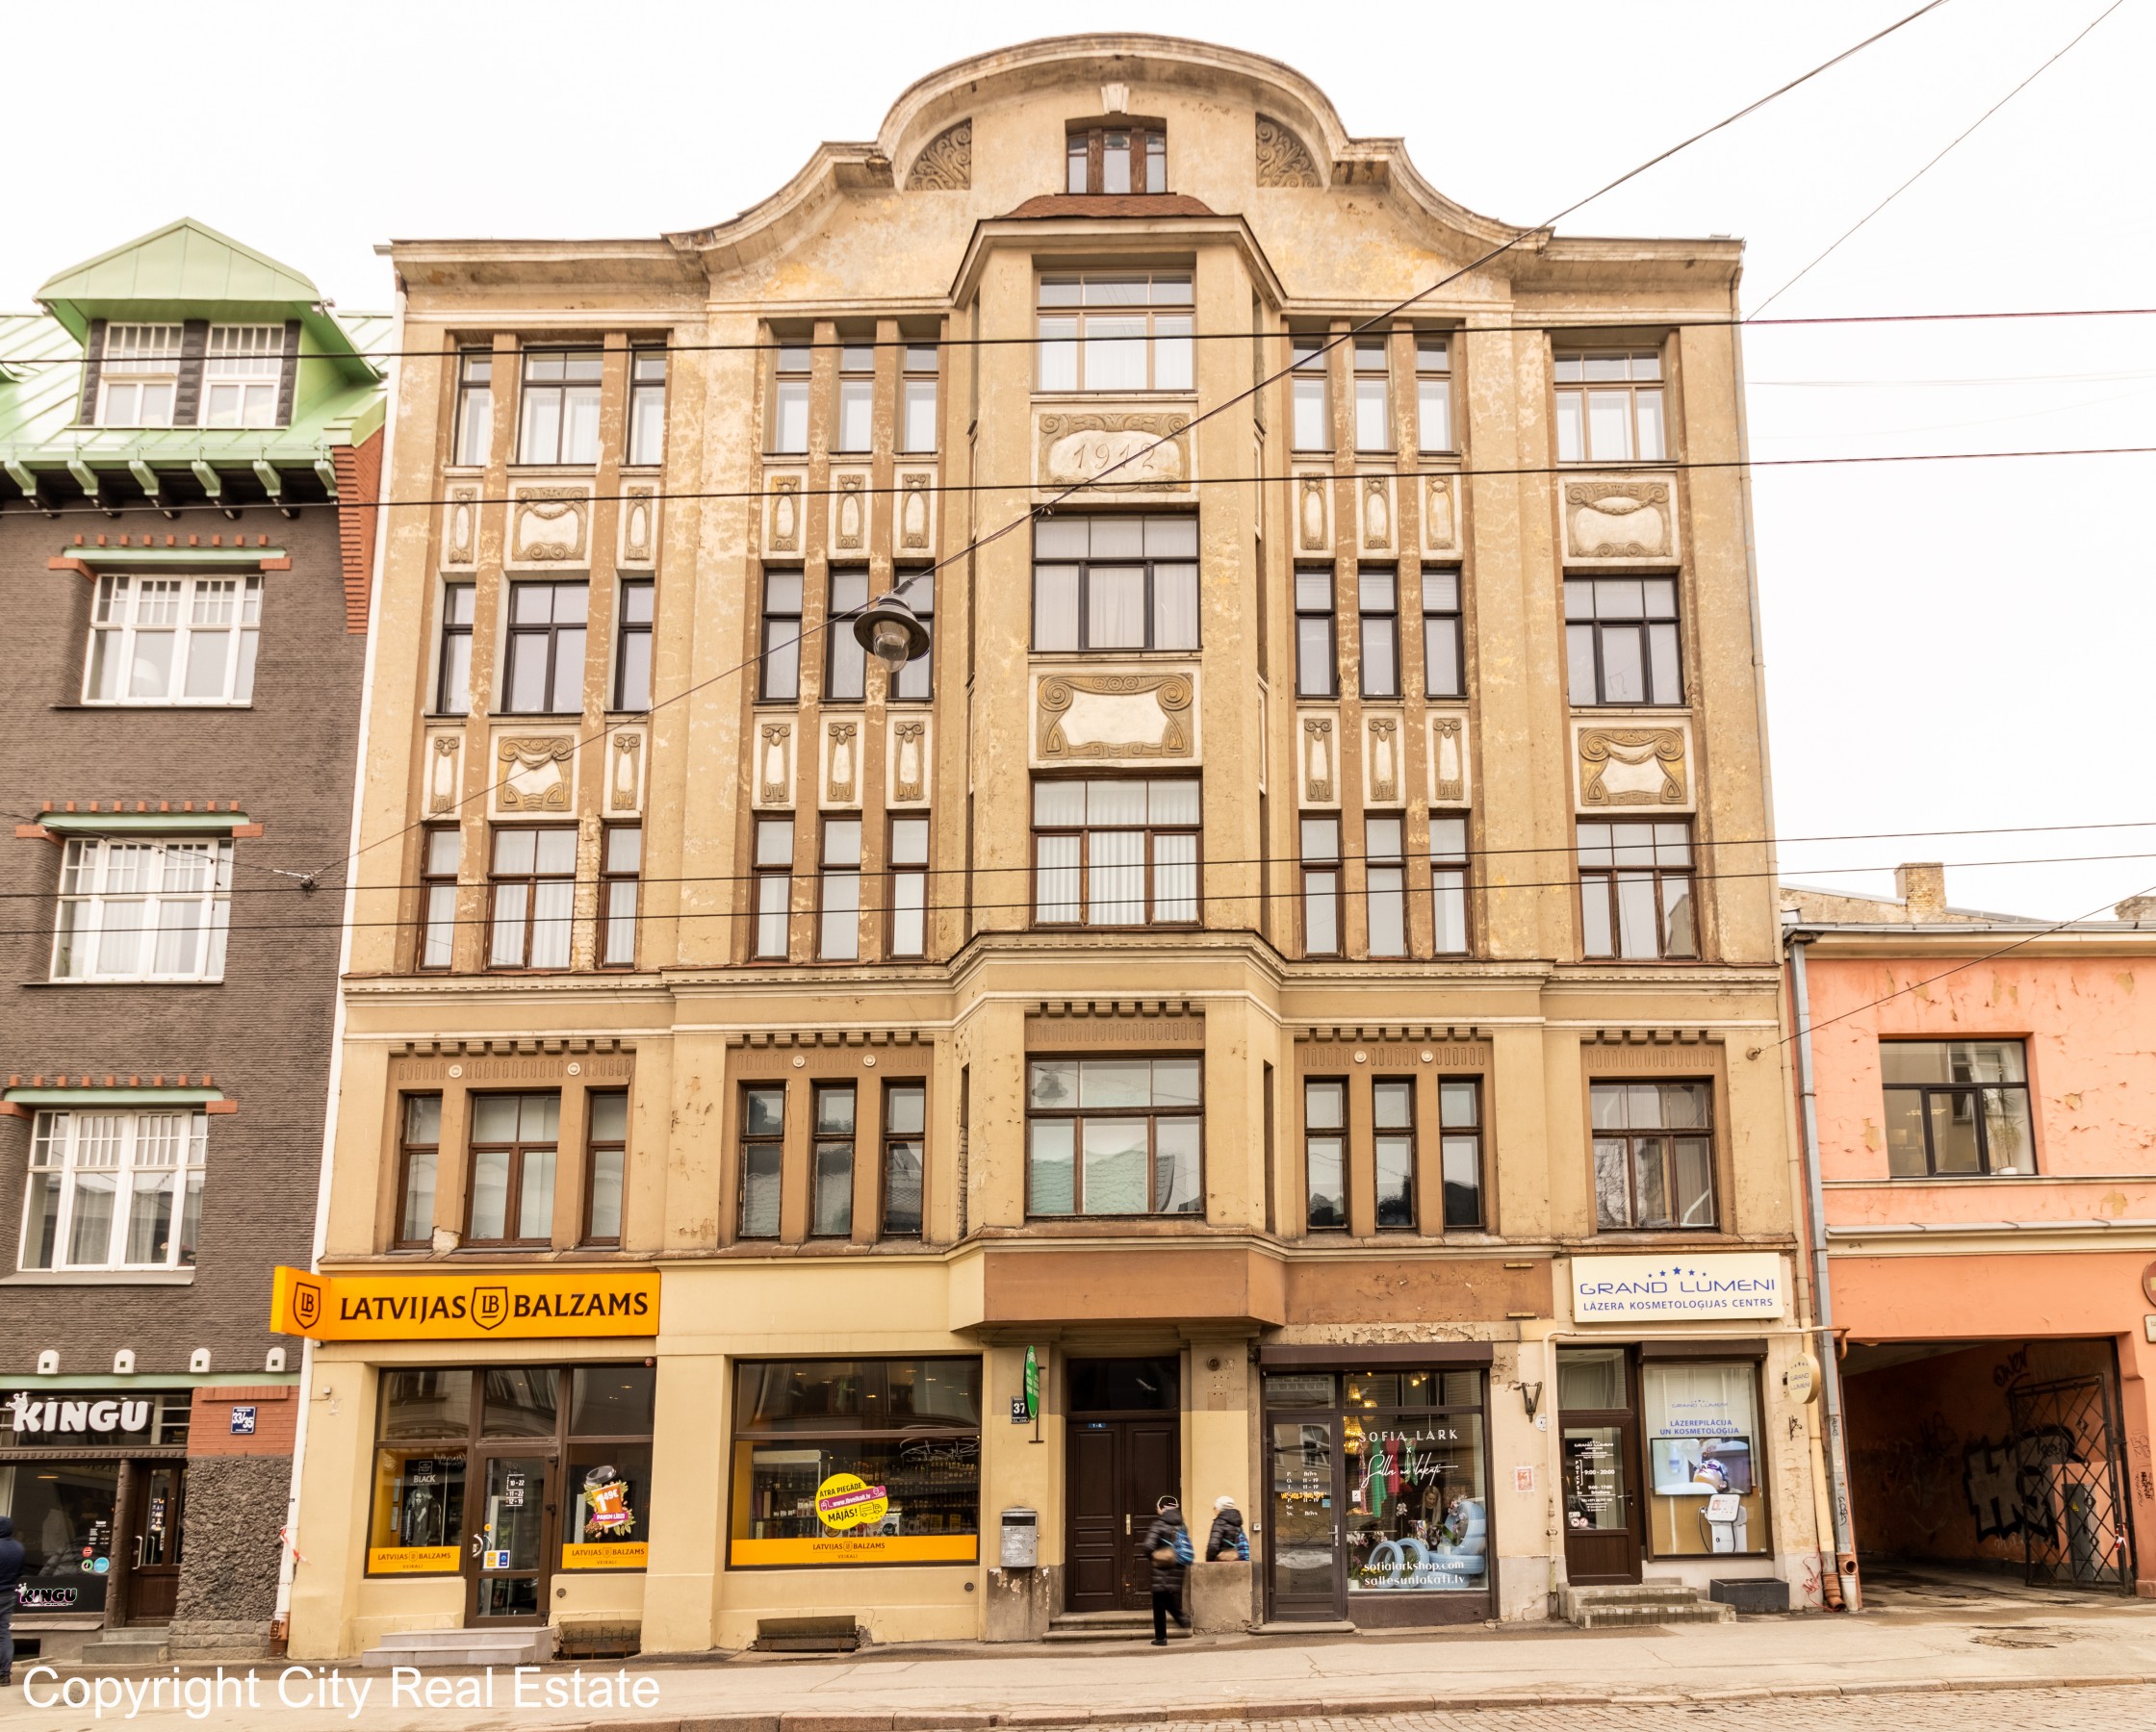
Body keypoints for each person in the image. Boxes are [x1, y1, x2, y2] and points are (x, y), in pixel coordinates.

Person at [1139, 1493, 1191, 1645]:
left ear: (1162, 1509)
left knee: (1159, 1602)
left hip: (1162, 1567)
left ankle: (1162, 1636)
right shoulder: (1182, 1525)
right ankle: (1179, 1618)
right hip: (1178, 1566)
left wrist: (1155, 1558)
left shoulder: (1159, 1524)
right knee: (1167, 1597)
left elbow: (1148, 1546)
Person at [0, 1514, 25, 1687]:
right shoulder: (19, 1548)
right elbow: (20, 1572)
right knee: (3, 1633)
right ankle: (4, 1674)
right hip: (8, 1594)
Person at [1206, 1494, 1247, 1562]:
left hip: (1222, 1561)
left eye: (1215, 1507)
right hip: (1236, 1560)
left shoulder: (1219, 1522)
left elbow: (1213, 1546)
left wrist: (1209, 1561)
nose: (1214, 1510)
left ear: (1219, 1508)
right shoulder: (1238, 1522)